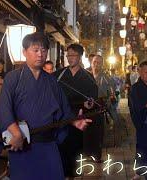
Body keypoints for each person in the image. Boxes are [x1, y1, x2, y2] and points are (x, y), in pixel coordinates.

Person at [0, 32, 91, 180]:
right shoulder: (13, 78)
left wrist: (74, 121)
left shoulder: (52, 81)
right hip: (22, 143)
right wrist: (16, 133)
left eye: (44, 50)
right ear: (25, 52)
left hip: (48, 145)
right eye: (35, 50)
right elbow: (4, 108)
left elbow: (63, 109)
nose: (40, 54)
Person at [54, 44, 99, 177]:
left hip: (78, 118)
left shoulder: (88, 77)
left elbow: (93, 99)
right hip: (61, 118)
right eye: (68, 55)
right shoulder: (59, 75)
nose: (69, 58)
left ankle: (72, 175)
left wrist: (89, 105)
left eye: (72, 55)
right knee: (60, 148)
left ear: (79, 57)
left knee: (75, 150)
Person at [91, 55, 119, 129]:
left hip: (100, 109)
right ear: (91, 63)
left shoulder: (107, 79)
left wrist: (108, 100)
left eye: (98, 63)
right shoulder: (86, 76)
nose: (96, 64)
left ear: (102, 65)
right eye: (94, 62)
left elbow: (112, 94)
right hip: (88, 109)